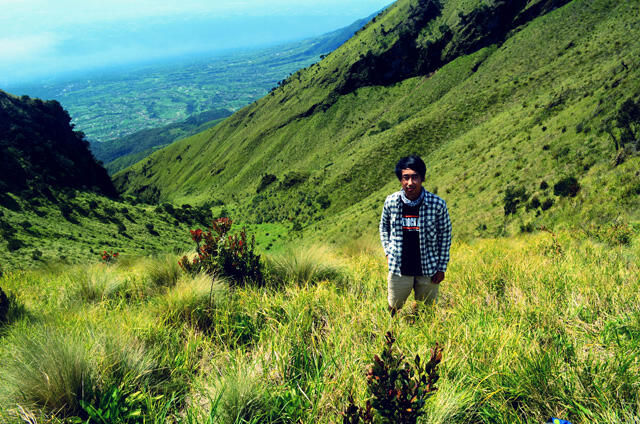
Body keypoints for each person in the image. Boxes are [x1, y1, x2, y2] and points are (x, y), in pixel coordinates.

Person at [379, 155, 452, 316]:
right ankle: (392, 335)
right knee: (393, 307)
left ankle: (423, 336)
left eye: (415, 177)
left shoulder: (437, 204)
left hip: (428, 269)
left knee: (426, 311)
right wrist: (388, 251)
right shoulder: (391, 202)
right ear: (400, 179)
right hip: (399, 268)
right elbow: (384, 227)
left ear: (422, 178)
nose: (410, 183)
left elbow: (445, 235)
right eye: (406, 178)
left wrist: (441, 267)